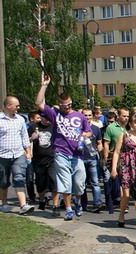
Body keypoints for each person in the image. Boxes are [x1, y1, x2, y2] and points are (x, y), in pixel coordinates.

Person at [36, 76, 91, 221]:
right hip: (61, 153)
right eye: (63, 106)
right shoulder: (55, 115)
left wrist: (85, 134)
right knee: (65, 183)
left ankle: (78, 201)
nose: (66, 108)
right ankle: (68, 209)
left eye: (69, 105)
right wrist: (44, 85)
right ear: (59, 105)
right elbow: (39, 103)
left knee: (79, 184)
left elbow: (89, 130)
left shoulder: (80, 116)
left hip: (77, 154)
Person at [111, 113, 136, 230]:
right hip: (126, 165)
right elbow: (116, 152)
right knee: (126, 193)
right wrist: (113, 168)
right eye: (135, 122)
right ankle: (121, 214)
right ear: (130, 124)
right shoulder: (124, 135)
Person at [0, 95, 34, 214]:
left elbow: (24, 136)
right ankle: (4, 203)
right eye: (16, 105)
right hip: (2, 156)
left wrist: (28, 151)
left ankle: (23, 205)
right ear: (8, 106)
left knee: (19, 178)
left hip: (18, 154)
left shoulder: (20, 119)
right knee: (3, 181)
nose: (18, 108)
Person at [28, 111, 54, 210]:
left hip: (52, 158)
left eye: (49, 117)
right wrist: (31, 138)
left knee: (53, 180)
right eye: (45, 117)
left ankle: (55, 205)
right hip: (38, 159)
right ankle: (42, 200)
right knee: (40, 183)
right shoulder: (34, 127)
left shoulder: (54, 127)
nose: (47, 120)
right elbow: (25, 141)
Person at [80, 109, 105, 213]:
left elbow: (99, 143)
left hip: (92, 159)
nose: (87, 117)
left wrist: (102, 156)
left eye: (89, 115)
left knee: (95, 182)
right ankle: (83, 204)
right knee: (81, 184)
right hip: (80, 159)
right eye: (85, 115)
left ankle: (98, 203)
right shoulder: (78, 129)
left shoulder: (96, 129)